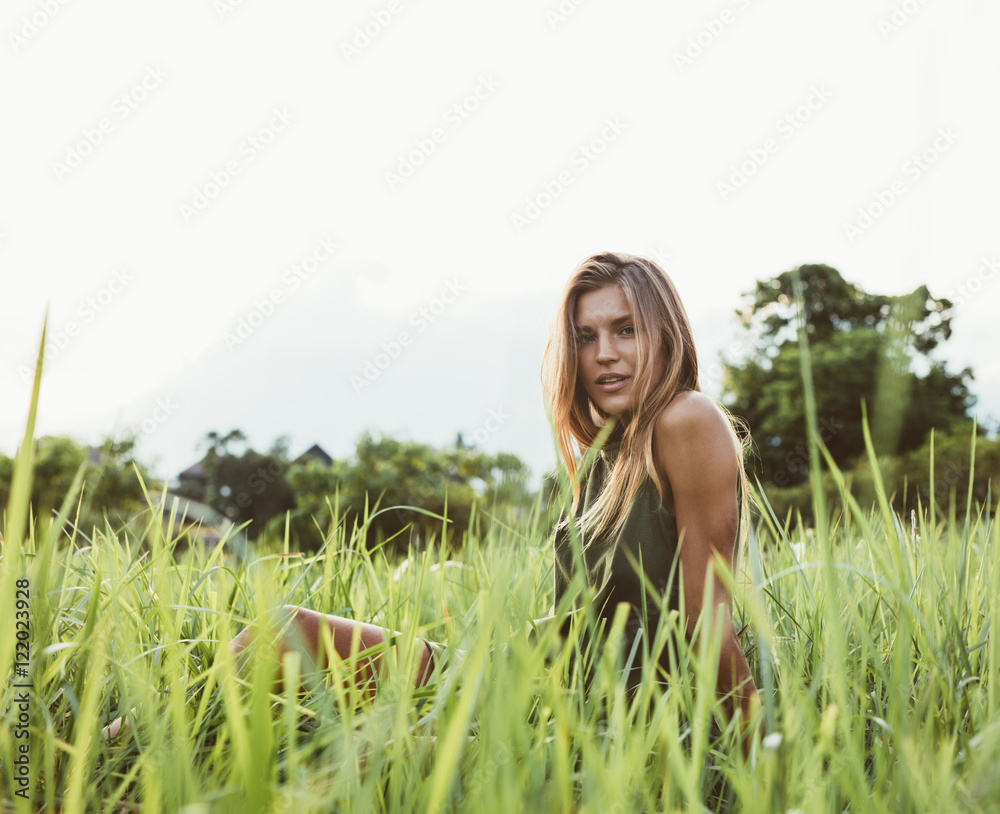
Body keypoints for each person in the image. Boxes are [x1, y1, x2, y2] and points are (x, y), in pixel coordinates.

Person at [105, 251, 760, 745]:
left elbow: (708, 620)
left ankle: (108, 757)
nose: (604, 355)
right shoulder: (607, 454)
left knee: (289, 638)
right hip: (529, 673)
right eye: (586, 337)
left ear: (664, 331)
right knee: (281, 643)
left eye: (625, 330)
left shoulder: (688, 420)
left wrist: (766, 755)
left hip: (582, 702)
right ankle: (127, 753)